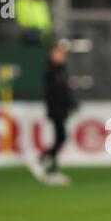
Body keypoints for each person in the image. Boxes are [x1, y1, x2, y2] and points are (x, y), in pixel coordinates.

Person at [39, 44, 76, 183]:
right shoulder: (51, 70)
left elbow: (65, 91)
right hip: (56, 109)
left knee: (60, 138)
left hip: (61, 109)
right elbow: (55, 92)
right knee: (61, 137)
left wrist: (70, 103)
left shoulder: (61, 70)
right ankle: (43, 159)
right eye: (57, 54)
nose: (60, 56)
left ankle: (52, 167)